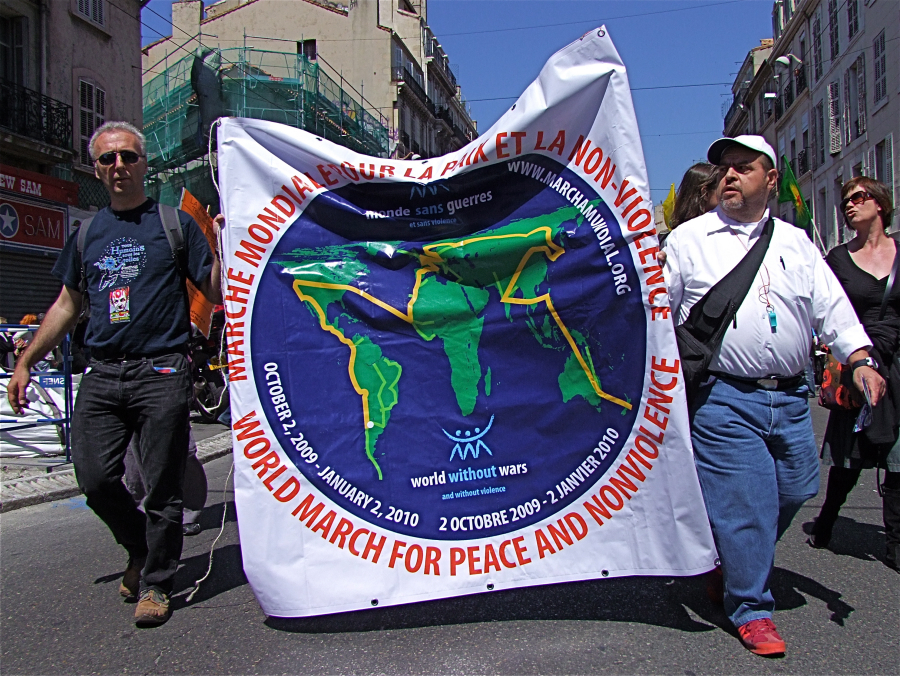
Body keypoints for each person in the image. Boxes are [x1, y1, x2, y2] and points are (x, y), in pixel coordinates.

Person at [664, 135, 885, 656]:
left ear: (770, 177)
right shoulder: (689, 239)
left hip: (789, 398)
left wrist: (860, 359)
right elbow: (656, 313)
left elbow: (833, 309)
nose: (730, 177)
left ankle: (733, 558)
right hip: (724, 397)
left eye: (743, 168)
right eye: (725, 170)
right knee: (748, 503)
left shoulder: (795, 242)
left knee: (797, 486)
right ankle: (750, 607)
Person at [6, 121, 221, 627]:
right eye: (108, 160)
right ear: (97, 170)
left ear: (143, 164)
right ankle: (139, 549)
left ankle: (157, 584)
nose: (119, 166)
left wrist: (226, 245)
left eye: (127, 157)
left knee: (162, 483)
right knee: (97, 478)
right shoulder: (86, 234)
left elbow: (213, 291)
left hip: (162, 369)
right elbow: (67, 304)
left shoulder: (175, 224)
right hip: (102, 374)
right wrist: (26, 359)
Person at [811, 176, 900, 571]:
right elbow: (827, 312)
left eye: (858, 197)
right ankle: (828, 519)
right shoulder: (838, 260)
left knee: (898, 456)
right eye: (845, 199)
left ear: (880, 204)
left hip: (898, 362)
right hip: (857, 361)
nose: (849, 204)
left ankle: (895, 543)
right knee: (849, 455)